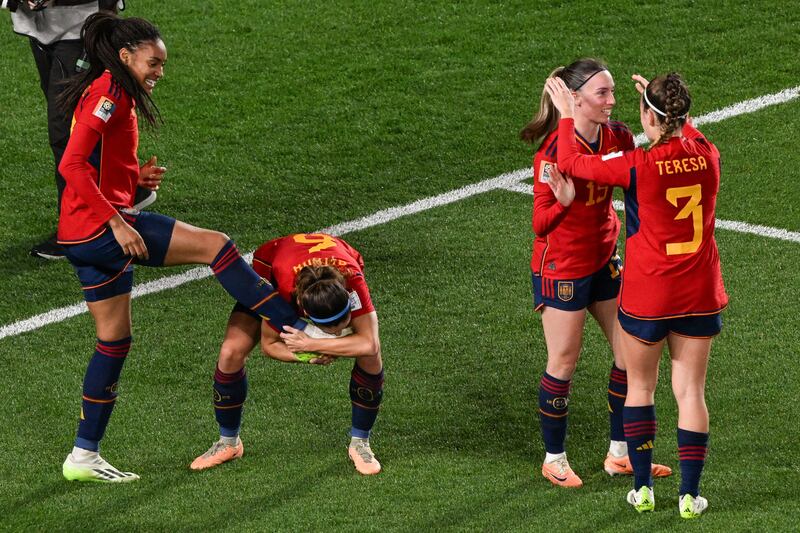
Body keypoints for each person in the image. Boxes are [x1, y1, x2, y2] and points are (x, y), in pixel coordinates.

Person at [56, 12, 306, 483]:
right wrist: (117, 221)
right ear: (126, 55)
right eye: (153, 63)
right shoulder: (108, 94)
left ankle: (83, 456)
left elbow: (96, 163)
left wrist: (133, 181)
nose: (159, 72)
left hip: (79, 236)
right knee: (218, 247)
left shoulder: (111, 90)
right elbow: (72, 165)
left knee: (113, 342)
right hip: (101, 230)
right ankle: (298, 326)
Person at [545, 73, 728, 518]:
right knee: (690, 393)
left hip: (648, 296)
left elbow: (572, 162)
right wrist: (665, 104)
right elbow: (689, 129)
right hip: (699, 293)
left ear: (649, 117)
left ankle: (643, 489)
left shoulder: (637, 165)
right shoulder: (709, 154)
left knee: (640, 388)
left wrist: (568, 116)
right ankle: (689, 496)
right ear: (683, 116)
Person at [520, 58, 671, 488]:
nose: (612, 100)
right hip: (563, 268)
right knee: (564, 361)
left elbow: (643, 171)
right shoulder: (552, 154)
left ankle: (618, 455)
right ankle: (554, 458)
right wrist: (564, 201)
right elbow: (540, 224)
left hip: (605, 259)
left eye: (612, 92)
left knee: (629, 355)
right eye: (602, 93)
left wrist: (659, 107)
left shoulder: (619, 135)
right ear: (576, 100)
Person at [191, 233, 385, 476]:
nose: (338, 331)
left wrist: (314, 342)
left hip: (331, 257)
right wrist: (306, 354)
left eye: (344, 321)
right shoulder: (282, 294)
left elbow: (369, 344)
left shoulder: (351, 281)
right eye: (329, 328)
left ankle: (361, 444)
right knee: (231, 351)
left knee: (370, 357)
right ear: (303, 313)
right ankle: (228, 443)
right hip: (270, 271)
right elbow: (270, 345)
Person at [1, 0, 155, 260]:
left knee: (65, 131)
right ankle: (125, 191)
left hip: (81, 26)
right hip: (43, 27)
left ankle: (78, 226)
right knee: (75, 121)